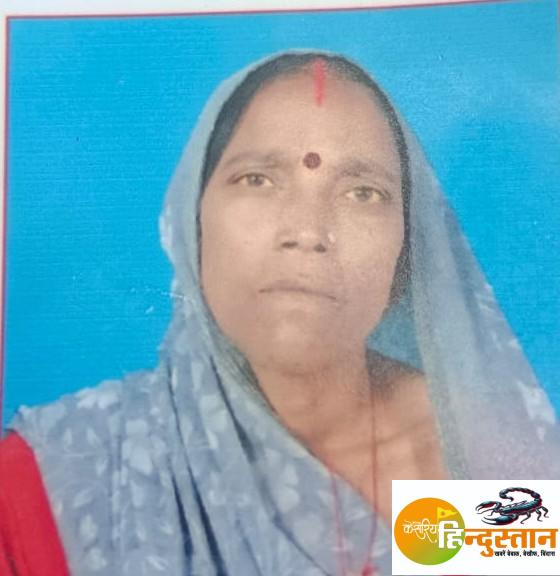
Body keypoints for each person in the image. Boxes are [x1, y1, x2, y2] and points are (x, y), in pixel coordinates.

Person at [0, 50, 558, 576]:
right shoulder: (52, 479)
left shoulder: (488, 455)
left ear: (406, 249)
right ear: (193, 224)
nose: (308, 231)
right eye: (258, 180)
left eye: (362, 193)